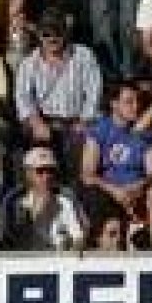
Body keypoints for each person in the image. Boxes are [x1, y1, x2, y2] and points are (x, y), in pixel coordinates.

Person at [13, 12, 103, 179]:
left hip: (76, 120)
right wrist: (35, 121)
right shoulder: (29, 63)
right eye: (46, 34)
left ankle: (75, 194)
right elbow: (23, 97)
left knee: (81, 142)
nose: (52, 39)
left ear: (65, 32)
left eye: (57, 32)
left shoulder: (83, 55)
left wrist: (84, 120)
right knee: (29, 146)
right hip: (44, 121)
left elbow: (94, 92)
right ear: (39, 35)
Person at [80, 81, 152, 244]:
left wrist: (139, 185)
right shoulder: (100, 130)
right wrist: (114, 190)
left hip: (137, 189)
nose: (135, 106)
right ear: (114, 104)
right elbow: (87, 173)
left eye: (137, 101)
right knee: (92, 194)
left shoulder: (146, 132)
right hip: (108, 189)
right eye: (129, 101)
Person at [2, 147, 86, 250]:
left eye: (50, 171)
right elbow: (17, 241)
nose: (46, 177)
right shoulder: (17, 204)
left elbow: (78, 236)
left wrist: (75, 246)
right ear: (28, 174)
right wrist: (37, 214)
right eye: (40, 171)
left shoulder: (64, 202)